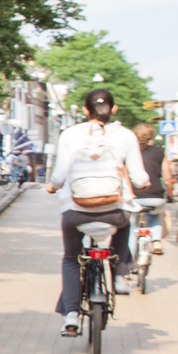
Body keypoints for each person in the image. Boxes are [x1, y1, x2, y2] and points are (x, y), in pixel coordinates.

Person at [47, 89, 149, 335]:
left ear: (84, 110)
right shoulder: (125, 136)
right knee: (125, 225)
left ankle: (71, 314)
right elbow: (139, 177)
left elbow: (59, 176)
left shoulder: (70, 134)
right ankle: (118, 274)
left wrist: (52, 186)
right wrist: (143, 184)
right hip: (114, 212)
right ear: (113, 109)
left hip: (76, 211)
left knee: (71, 258)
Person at [132, 122, 174, 254]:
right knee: (155, 215)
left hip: (133, 197)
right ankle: (156, 241)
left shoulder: (129, 152)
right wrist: (170, 192)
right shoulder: (160, 152)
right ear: (151, 137)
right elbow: (167, 179)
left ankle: (129, 261)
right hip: (155, 197)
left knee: (131, 226)